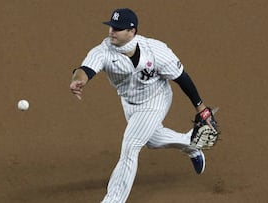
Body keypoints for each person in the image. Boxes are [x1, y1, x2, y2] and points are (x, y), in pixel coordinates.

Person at [70, 8, 216, 203]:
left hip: (156, 100)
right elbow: (85, 70)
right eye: (111, 27)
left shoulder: (155, 50)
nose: (112, 31)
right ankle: (191, 146)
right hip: (130, 104)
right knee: (152, 140)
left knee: (131, 146)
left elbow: (182, 78)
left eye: (118, 28)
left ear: (132, 31)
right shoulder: (103, 51)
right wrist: (78, 81)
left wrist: (201, 108)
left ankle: (113, 199)